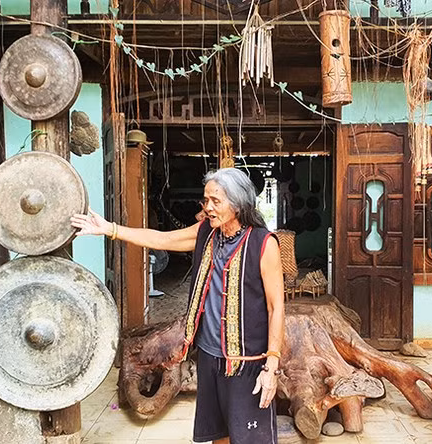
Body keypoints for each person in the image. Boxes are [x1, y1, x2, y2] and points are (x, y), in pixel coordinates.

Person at [71, 167, 285, 444]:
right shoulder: (207, 232)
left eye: (215, 201)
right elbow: (162, 239)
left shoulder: (263, 244)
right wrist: (110, 230)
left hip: (247, 363)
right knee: (219, 434)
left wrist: (271, 366)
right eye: (206, 200)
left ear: (238, 204)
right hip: (209, 355)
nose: (207, 207)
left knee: (250, 438)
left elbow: (275, 307)